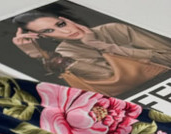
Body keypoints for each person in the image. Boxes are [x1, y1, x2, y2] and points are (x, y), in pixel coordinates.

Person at [11, 11, 171, 89]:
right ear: (42, 37)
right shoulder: (66, 54)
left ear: (67, 19)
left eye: (61, 24)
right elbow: (114, 80)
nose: (66, 31)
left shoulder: (114, 29)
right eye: (49, 31)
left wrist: (100, 45)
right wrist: (41, 56)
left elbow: (167, 57)